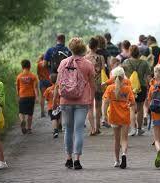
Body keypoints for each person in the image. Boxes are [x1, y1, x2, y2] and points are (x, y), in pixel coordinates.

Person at [53, 37, 95, 170]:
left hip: (65, 100)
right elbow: (92, 85)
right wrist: (91, 100)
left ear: (70, 48)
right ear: (82, 48)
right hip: (82, 101)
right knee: (78, 130)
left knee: (68, 130)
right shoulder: (88, 64)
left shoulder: (64, 63)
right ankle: (77, 160)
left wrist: (55, 100)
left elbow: (57, 84)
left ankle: (68, 159)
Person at [102, 66, 135, 169]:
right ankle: (124, 154)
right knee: (124, 139)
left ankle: (117, 160)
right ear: (123, 76)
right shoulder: (127, 88)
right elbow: (133, 103)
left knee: (116, 140)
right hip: (125, 116)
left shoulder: (110, 88)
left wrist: (104, 116)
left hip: (113, 115)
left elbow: (105, 103)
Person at [123, 45, 150, 136]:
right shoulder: (144, 63)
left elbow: (123, 75)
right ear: (138, 52)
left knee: (131, 108)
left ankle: (133, 129)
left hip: (130, 87)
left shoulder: (126, 62)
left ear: (130, 52)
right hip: (142, 87)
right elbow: (148, 76)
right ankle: (139, 129)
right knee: (140, 108)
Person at [85, 37, 106, 135]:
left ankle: (92, 129)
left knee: (90, 107)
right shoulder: (101, 58)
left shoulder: (85, 58)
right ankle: (98, 127)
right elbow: (103, 71)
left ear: (89, 46)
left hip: (88, 83)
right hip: (98, 83)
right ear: (97, 46)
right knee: (98, 106)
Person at [16, 60, 39, 135]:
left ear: (22, 66)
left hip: (22, 96)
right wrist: (37, 97)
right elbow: (35, 88)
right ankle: (29, 129)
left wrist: (18, 95)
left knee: (21, 112)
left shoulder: (19, 76)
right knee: (30, 113)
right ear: (30, 66)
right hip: (31, 96)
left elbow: (17, 87)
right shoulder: (33, 76)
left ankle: (22, 120)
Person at [44, 73, 61, 138]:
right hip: (59, 106)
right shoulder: (59, 88)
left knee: (53, 118)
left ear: (50, 81)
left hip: (51, 107)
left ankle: (55, 130)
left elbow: (46, 98)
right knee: (58, 117)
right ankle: (59, 126)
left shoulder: (48, 89)